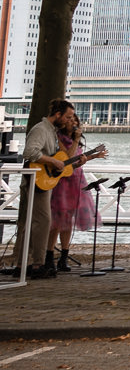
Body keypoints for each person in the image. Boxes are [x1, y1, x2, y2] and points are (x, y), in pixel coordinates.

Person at [16, 100, 75, 278]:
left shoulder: (52, 132)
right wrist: (52, 161)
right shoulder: (41, 129)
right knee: (43, 221)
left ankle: (23, 263)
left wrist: (59, 162)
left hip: (44, 179)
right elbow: (29, 152)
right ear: (57, 115)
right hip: (36, 179)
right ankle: (37, 264)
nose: (69, 120)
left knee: (35, 222)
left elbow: (55, 158)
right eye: (67, 117)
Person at [48, 108, 100, 272]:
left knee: (68, 221)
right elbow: (66, 158)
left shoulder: (74, 139)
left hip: (76, 180)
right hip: (62, 182)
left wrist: (90, 157)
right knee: (57, 220)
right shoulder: (58, 138)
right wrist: (77, 139)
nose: (74, 123)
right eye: (71, 120)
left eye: (76, 121)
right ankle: (48, 256)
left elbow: (74, 162)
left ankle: (64, 256)